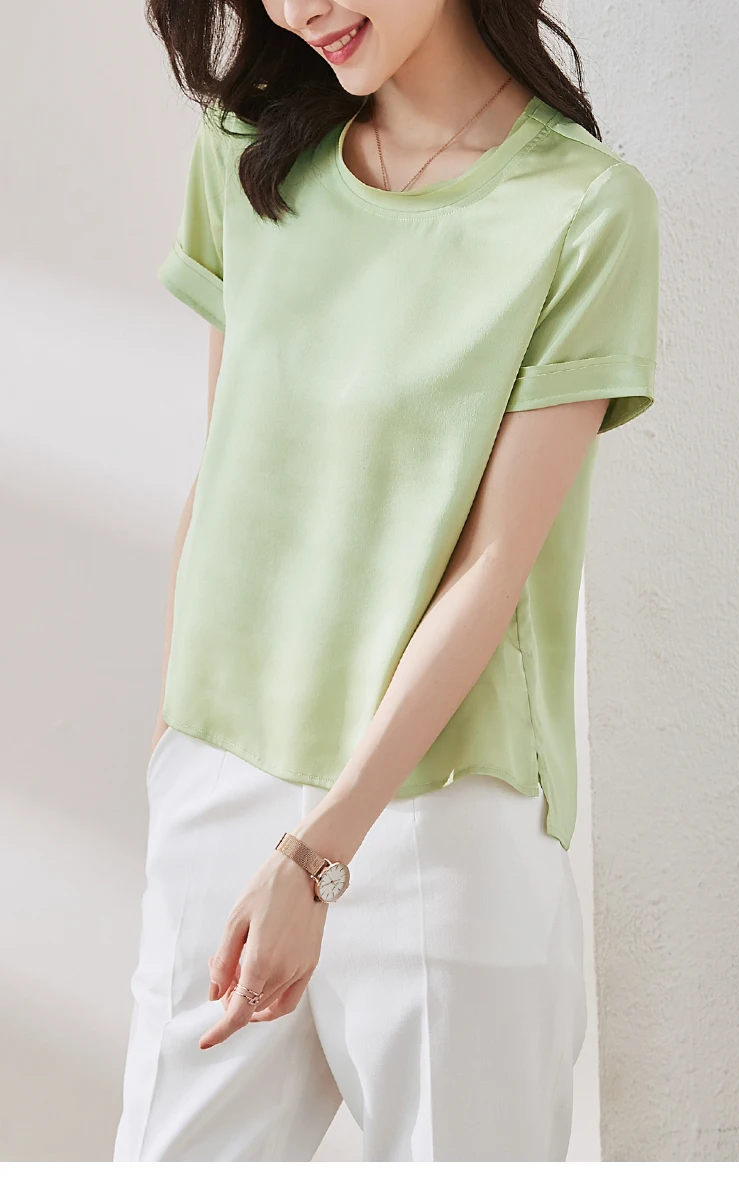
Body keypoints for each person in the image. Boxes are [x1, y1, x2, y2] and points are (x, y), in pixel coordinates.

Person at [113, 0, 659, 1164]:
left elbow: (494, 564)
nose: (298, 7)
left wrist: (317, 854)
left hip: (443, 821)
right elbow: (228, 469)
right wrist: (177, 748)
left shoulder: (583, 210)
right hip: (224, 782)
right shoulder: (248, 157)